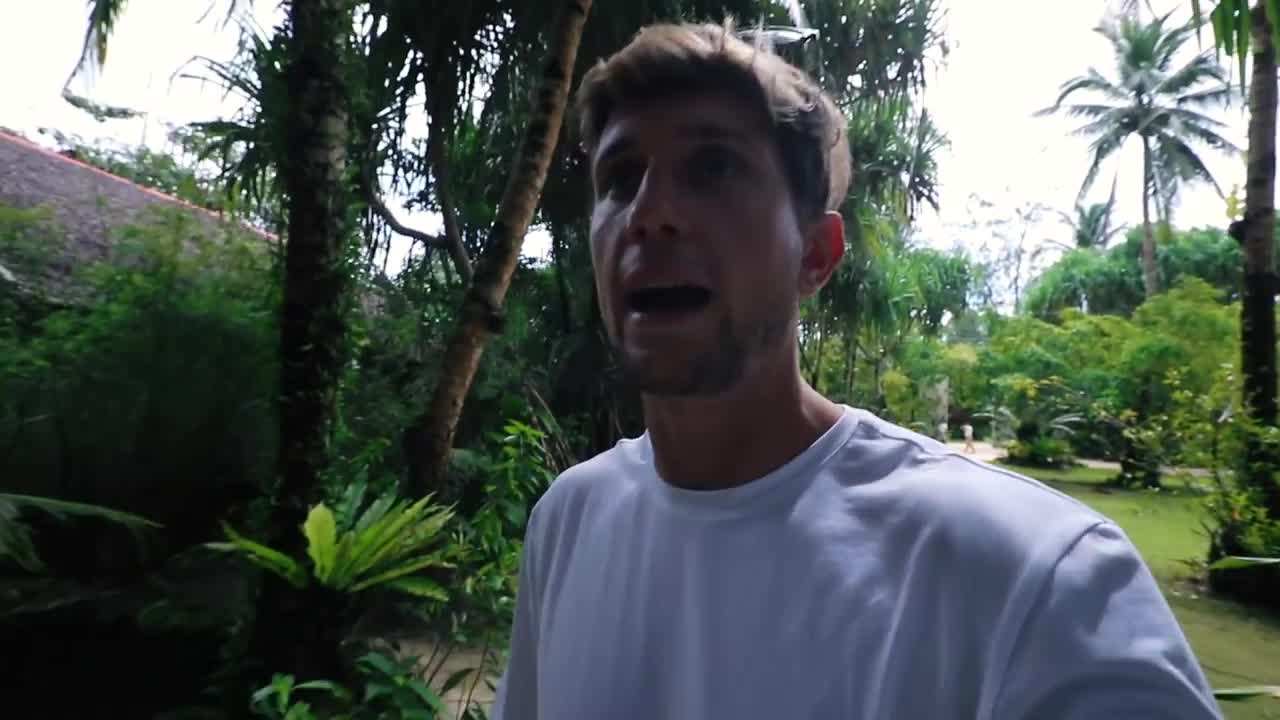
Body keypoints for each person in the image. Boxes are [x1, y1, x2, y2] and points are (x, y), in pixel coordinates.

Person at [490, 20, 1222, 720]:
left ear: (816, 255)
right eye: (619, 178)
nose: (648, 214)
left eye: (712, 168)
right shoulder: (570, 520)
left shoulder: (1031, 580)